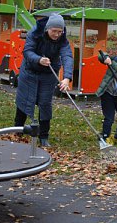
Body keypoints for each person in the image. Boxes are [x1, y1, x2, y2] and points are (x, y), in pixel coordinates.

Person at [14, 13, 73, 147]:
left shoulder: (63, 40)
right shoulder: (34, 33)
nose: (57, 34)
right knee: (25, 100)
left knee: (45, 103)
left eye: (60, 31)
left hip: (48, 74)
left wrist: (67, 78)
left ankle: (44, 136)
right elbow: (27, 51)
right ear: (47, 28)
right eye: (54, 31)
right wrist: (38, 59)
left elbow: (67, 56)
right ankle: (18, 131)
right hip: (29, 71)